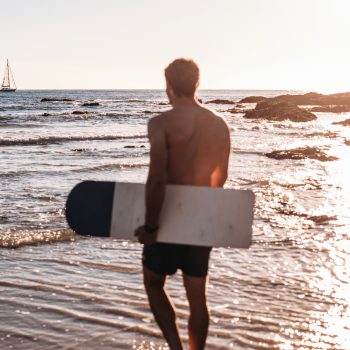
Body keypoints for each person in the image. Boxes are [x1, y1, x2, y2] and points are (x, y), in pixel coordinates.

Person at [135, 58, 231, 350]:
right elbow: (221, 178)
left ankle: (176, 347)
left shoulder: (161, 123)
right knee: (197, 296)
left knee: (154, 284)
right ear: (197, 83)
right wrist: (200, 210)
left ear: (169, 85)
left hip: (165, 219)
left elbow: (156, 179)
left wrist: (151, 226)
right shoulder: (219, 125)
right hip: (200, 220)